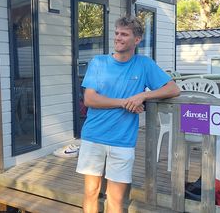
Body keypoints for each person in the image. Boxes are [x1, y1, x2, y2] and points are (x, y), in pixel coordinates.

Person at [76, 15, 180, 213]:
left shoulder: (144, 64)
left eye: (124, 34)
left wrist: (142, 95)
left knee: (115, 200)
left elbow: (173, 89)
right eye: (116, 33)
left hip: (122, 141)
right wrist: (126, 102)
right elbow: (90, 99)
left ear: (137, 40)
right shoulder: (98, 63)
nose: (118, 37)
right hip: (93, 136)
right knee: (90, 192)